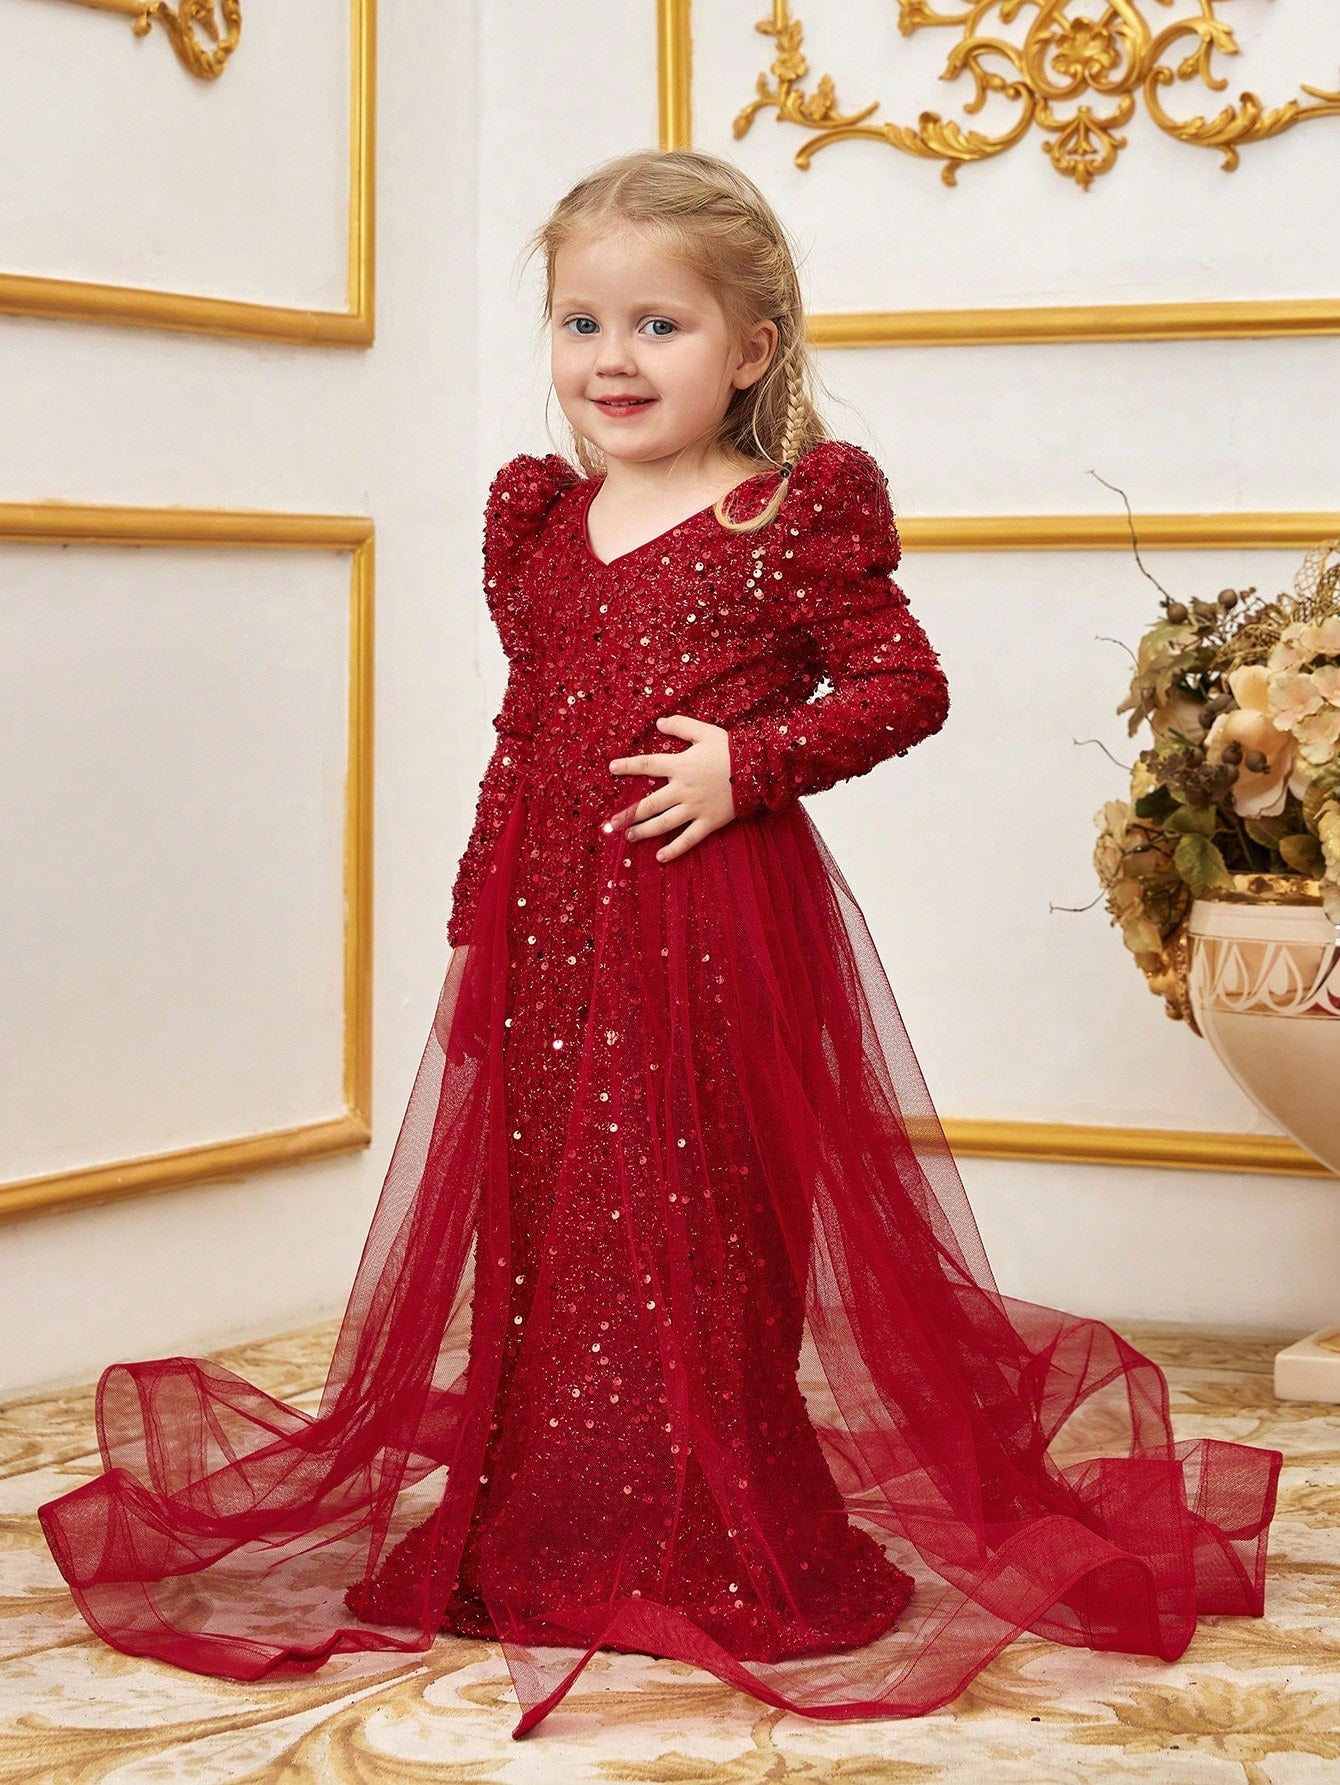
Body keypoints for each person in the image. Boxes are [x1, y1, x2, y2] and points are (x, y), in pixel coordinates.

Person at [38, 149, 1283, 1741]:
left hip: (715, 931)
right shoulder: (544, 523)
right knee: (554, 1236)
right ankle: (553, 1518)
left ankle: (716, 1523)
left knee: (707, 1220)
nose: (612, 360)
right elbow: (523, 738)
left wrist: (748, 764)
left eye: (658, 326)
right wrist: (476, 926)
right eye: (582, 323)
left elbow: (903, 685)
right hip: (551, 930)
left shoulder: (786, 514)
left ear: (751, 348)